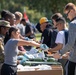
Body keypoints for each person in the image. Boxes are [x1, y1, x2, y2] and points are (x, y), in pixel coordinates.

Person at [52, 3, 76, 75]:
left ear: (72, 11)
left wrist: (60, 53)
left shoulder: (73, 24)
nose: (67, 17)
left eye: (67, 14)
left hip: (74, 59)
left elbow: (70, 44)